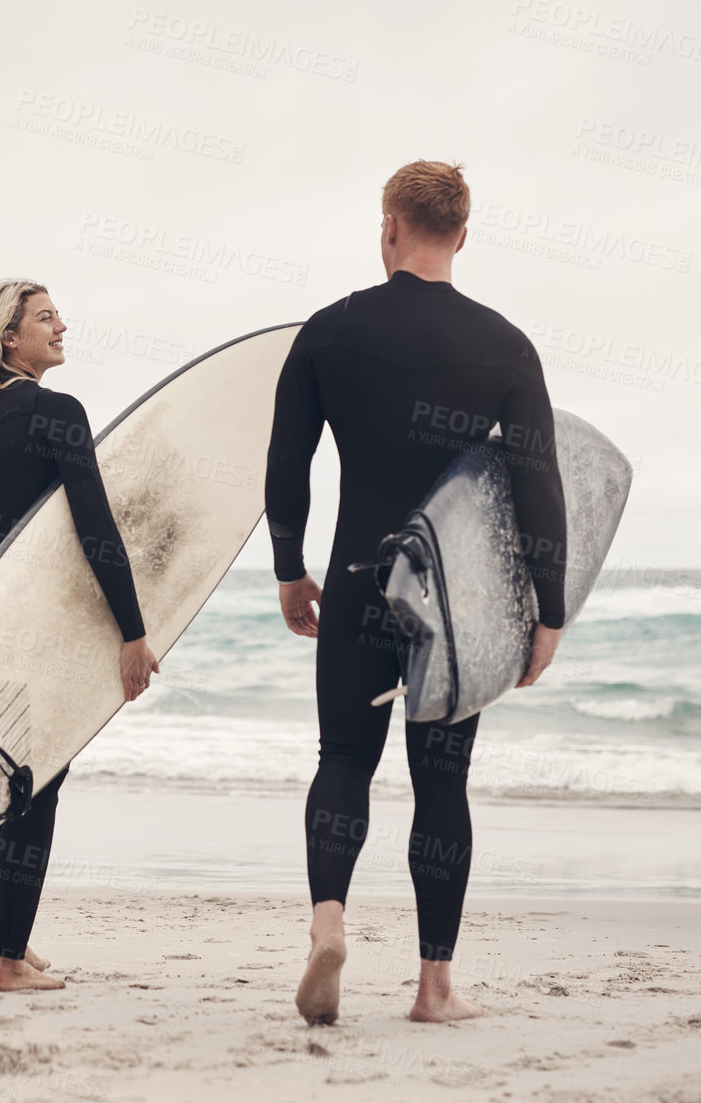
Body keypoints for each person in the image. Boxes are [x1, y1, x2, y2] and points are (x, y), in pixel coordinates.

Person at [264, 161, 569, 1025]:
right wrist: (547, 608)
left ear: (389, 225)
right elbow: (538, 483)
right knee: (442, 784)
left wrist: (290, 569)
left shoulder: (328, 332)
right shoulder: (505, 345)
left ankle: (328, 924)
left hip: (358, 580)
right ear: (460, 235)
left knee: (342, 760)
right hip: (453, 603)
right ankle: (434, 987)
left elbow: (285, 467)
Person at [0, 278, 160, 993]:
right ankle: (7, 962)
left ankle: (11, 948)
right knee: (38, 784)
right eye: (46, 318)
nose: (62, 326)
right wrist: (133, 630)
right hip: (39, 626)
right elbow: (95, 529)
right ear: (8, 337)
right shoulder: (58, 413)